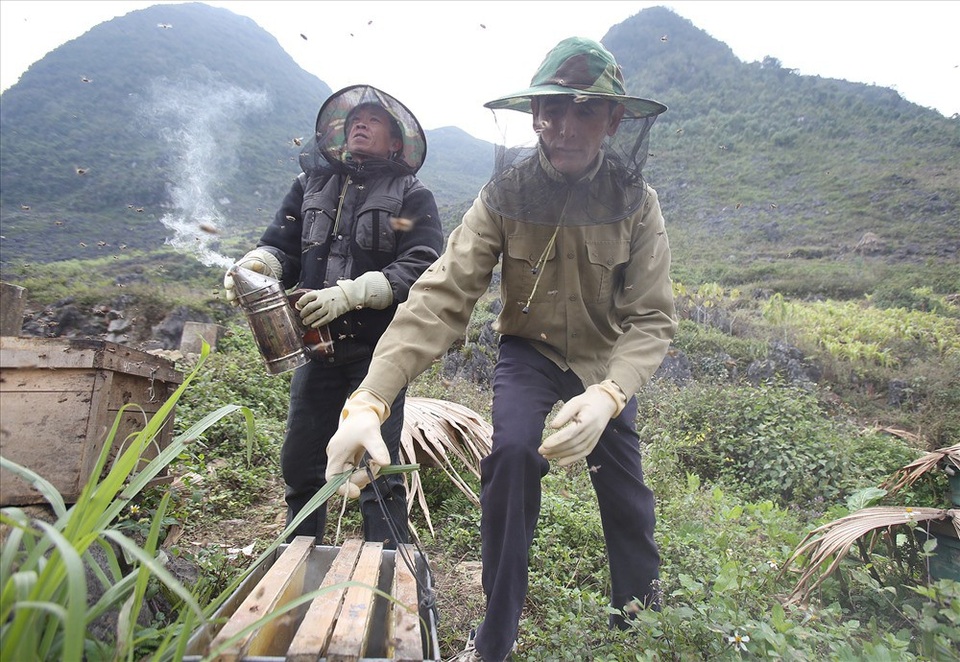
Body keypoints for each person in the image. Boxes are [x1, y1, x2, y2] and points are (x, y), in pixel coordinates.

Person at [327, 37, 676, 662]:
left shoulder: (636, 203)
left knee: (627, 495)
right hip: (528, 353)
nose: (564, 128)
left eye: (584, 111)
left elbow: (651, 317)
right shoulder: (503, 197)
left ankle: (642, 629)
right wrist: (368, 402)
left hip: (603, 363)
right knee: (511, 459)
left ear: (614, 119)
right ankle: (494, 641)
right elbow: (441, 296)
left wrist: (609, 395)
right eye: (551, 110)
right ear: (535, 113)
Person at [223, 84, 444, 549]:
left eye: (374, 120)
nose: (360, 124)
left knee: (377, 469)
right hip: (315, 349)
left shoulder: (412, 193)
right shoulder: (310, 185)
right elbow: (280, 245)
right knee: (301, 463)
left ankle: (385, 575)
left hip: (378, 353)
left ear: (396, 140)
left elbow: (422, 261)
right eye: (355, 119)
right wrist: (258, 264)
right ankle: (295, 566)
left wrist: (355, 293)